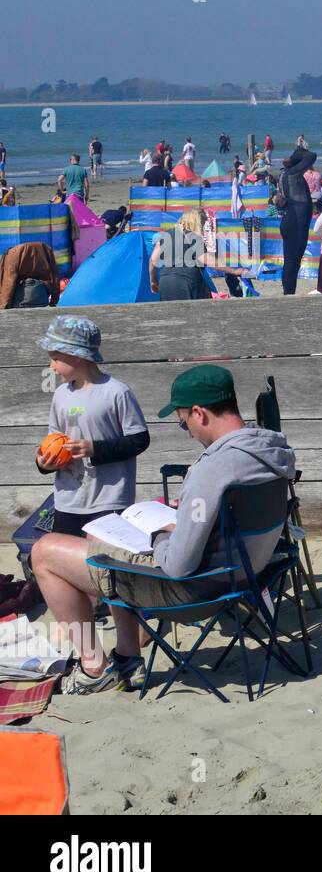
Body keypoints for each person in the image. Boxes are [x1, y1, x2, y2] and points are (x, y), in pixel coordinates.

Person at [31, 364, 296, 693]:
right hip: (248, 575)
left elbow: (177, 565)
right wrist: (182, 523)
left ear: (199, 412)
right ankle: (128, 654)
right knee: (98, 534)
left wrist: (158, 535)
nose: (185, 428)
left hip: (197, 592)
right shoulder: (271, 452)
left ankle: (93, 666)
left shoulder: (212, 469)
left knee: (44, 552)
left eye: (182, 419)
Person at [31, 315, 150, 543]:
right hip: (68, 499)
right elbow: (52, 439)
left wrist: (94, 449)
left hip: (109, 499)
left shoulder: (116, 392)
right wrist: (44, 463)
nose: (51, 367)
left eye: (55, 358)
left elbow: (139, 440)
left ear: (76, 357)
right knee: (66, 562)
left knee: (103, 566)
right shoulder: (61, 395)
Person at [277, 143, 317, 296]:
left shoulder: (286, 174)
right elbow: (312, 156)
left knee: (291, 261)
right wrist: (296, 155)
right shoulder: (293, 173)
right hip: (296, 222)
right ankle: (288, 293)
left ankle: (289, 292)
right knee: (293, 262)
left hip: (290, 220)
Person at [149, 208, 212, 301]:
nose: (202, 227)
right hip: (188, 282)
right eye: (202, 223)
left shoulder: (166, 235)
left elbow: (153, 260)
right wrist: (233, 271)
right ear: (196, 222)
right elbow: (206, 260)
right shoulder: (194, 237)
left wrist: (153, 281)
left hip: (165, 281)